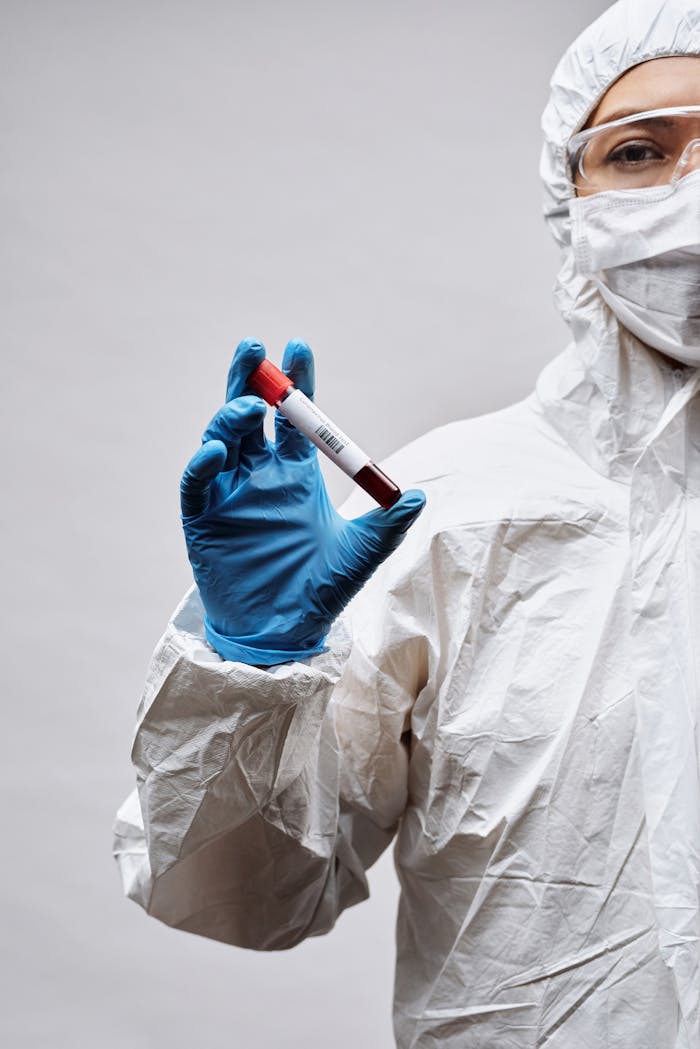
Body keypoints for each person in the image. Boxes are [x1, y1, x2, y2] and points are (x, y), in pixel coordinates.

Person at [114, 0, 700, 1044]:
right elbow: (246, 896)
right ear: (569, 199)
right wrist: (253, 670)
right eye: (638, 152)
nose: (687, 195)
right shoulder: (453, 506)